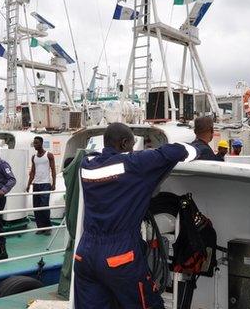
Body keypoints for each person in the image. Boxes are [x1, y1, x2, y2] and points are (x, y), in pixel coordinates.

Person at [74, 122, 199, 308]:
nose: (133, 149)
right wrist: (195, 149)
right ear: (124, 143)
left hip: (85, 254)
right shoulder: (134, 164)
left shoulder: (87, 165)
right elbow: (175, 151)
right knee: (148, 304)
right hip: (119, 256)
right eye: (132, 145)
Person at [26, 136, 56, 235]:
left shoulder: (49, 155)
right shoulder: (34, 157)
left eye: (37, 143)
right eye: (34, 143)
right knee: (37, 206)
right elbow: (32, 172)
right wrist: (29, 184)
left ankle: (48, 227)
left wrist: (53, 183)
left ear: (41, 143)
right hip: (36, 184)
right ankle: (40, 227)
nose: (35, 145)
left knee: (44, 206)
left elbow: (53, 170)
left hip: (45, 184)